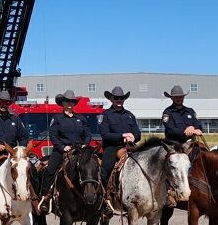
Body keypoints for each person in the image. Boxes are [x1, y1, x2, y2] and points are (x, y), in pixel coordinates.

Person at [37, 90, 93, 215]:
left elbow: (88, 134)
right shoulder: (57, 118)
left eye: (72, 102)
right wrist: (62, 147)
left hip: (79, 150)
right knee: (50, 170)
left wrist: (85, 144)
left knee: (93, 167)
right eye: (67, 101)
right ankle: (45, 197)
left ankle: (102, 198)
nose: (70, 104)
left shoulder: (81, 118)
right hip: (61, 150)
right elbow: (53, 135)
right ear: (63, 103)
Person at [99, 85, 141, 215]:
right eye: (116, 98)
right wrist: (122, 135)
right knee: (105, 171)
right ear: (111, 99)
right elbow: (105, 134)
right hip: (112, 147)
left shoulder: (130, 115)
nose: (119, 100)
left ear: (124, 99)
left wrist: (133, 136)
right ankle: (105, 200)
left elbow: (138, 133)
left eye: (121, 98)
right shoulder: (106, 115)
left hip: (130, 147)